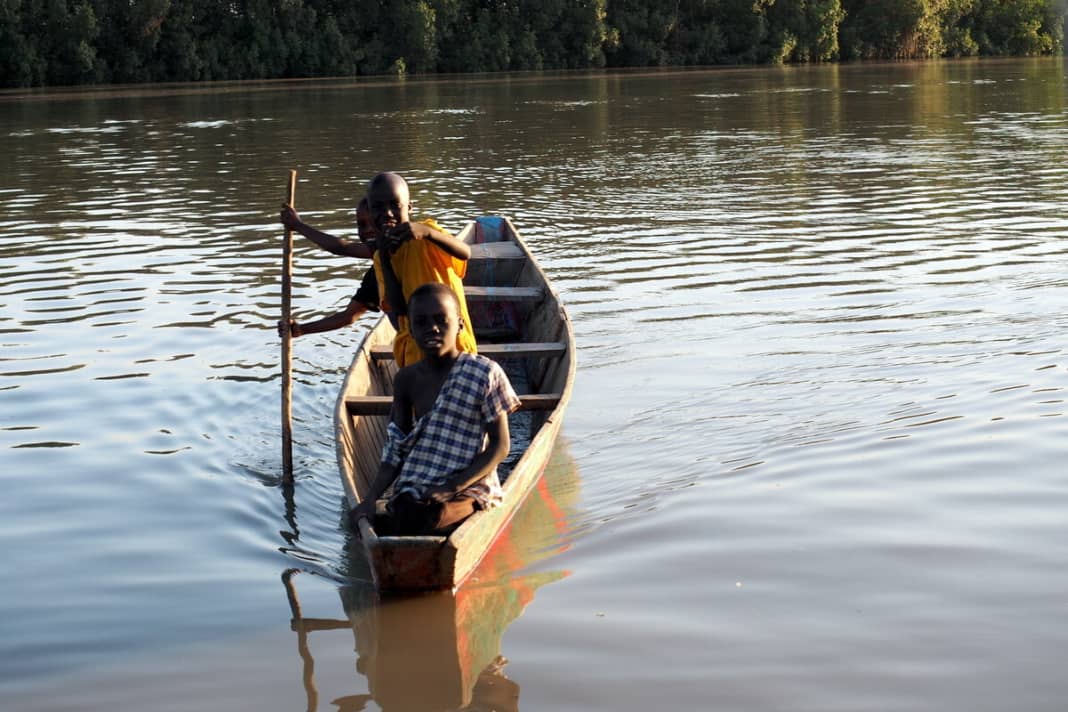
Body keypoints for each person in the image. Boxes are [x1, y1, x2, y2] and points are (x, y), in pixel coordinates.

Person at [350, 282, 520, 536]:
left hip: (469, 485)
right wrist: (370, 498)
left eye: (441, 320)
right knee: (398, 514)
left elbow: (500, 446)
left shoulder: (485, 372)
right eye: (421, 322)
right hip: (419, 483)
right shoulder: (406, 379)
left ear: (460, 324)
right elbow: (396, 448)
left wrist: (451, 487)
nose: (432, 328)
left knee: (432, 517)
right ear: (410, 330)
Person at [366, 171, 479, 366]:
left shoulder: (427, 233)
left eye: (395, 205)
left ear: (409, 207)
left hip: (454, 345)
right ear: (369, 212)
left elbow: (465, 252)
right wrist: (384, 256)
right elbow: (399, 308)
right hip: (417, 353)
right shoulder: (380, 257)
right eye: (377, 207)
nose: (387, 213)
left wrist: (428, 233)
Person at [277, 197, 388, 338]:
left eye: (374, 223)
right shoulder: (376, 274)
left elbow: (341, 248)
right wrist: (300, 329)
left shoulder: (394, 247)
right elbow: (348, 316)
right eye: (362, 225)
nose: (368, 230)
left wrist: (298, 225)